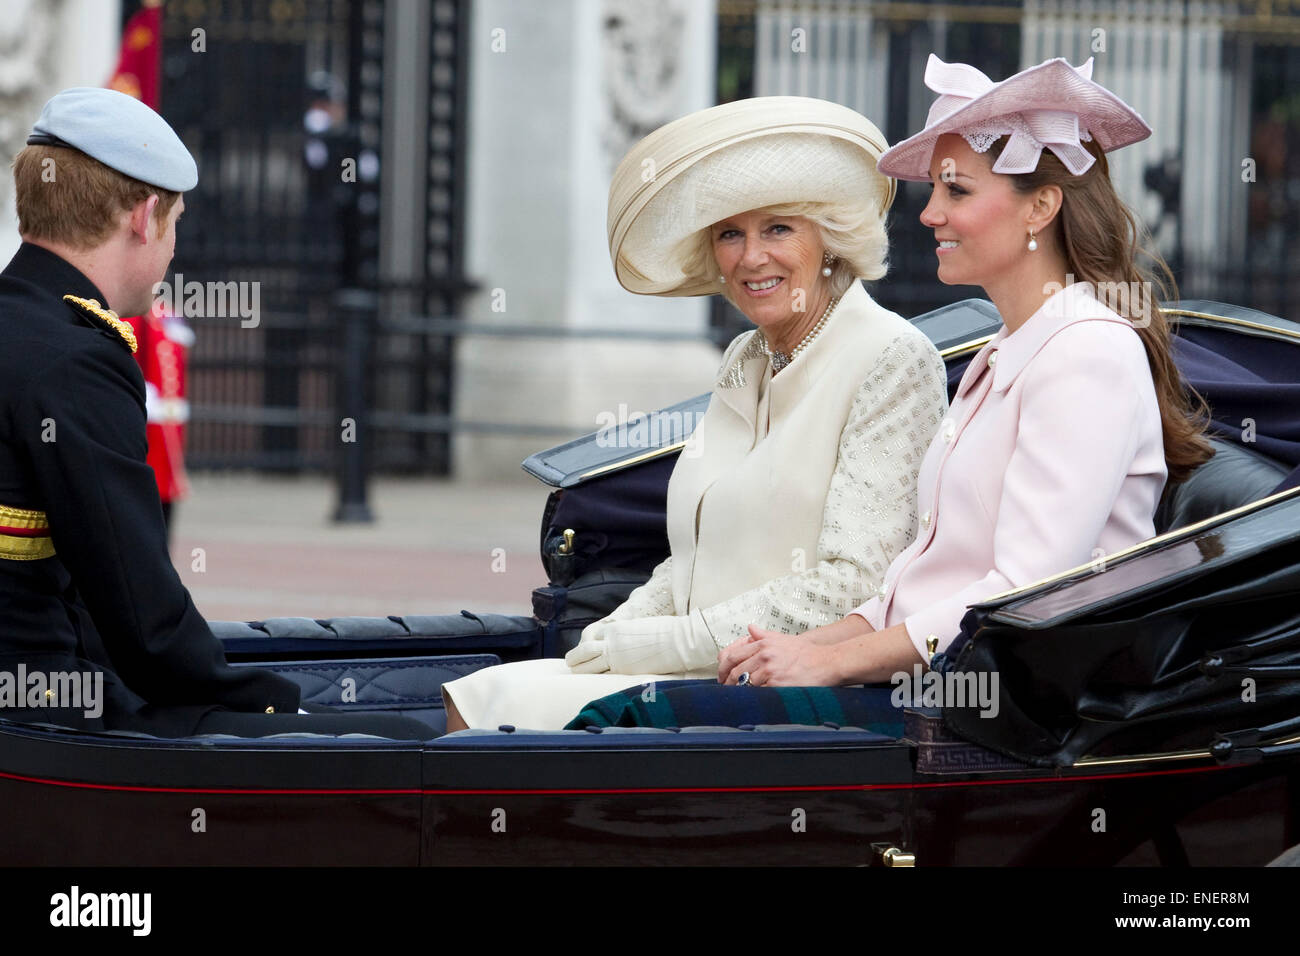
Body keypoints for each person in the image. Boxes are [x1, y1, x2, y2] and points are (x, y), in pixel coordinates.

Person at [569, 56, 1214, 729]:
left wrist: (832, 663)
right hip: (929, 679)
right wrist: (802, 646)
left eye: (956, 191)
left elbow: (1020, 593)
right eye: (935, 190)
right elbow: (915, 579)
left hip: (1006, 708)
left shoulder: (1087, 351)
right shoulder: (1007, 352)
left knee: (631, 723)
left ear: (1041, 207)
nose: (930, 212)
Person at [442, 96, 949, 732]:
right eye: (729, 234)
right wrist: (613, 633)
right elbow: (694, 557)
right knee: (475, 694)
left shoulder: (892, 357)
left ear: (831, 239)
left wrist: (665, 643)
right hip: (688, 666)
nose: (750, 257)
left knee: (492, 720)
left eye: (777, 229)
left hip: (770, 681)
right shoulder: (747, 354)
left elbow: (856, 583)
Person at [0, 87, 431, 739]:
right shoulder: (78, 359)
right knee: (408, 743)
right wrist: (282, 711)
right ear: (145, 218)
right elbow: (146, 626)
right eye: (176, 224)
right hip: (44, 729)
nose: (174, 251)